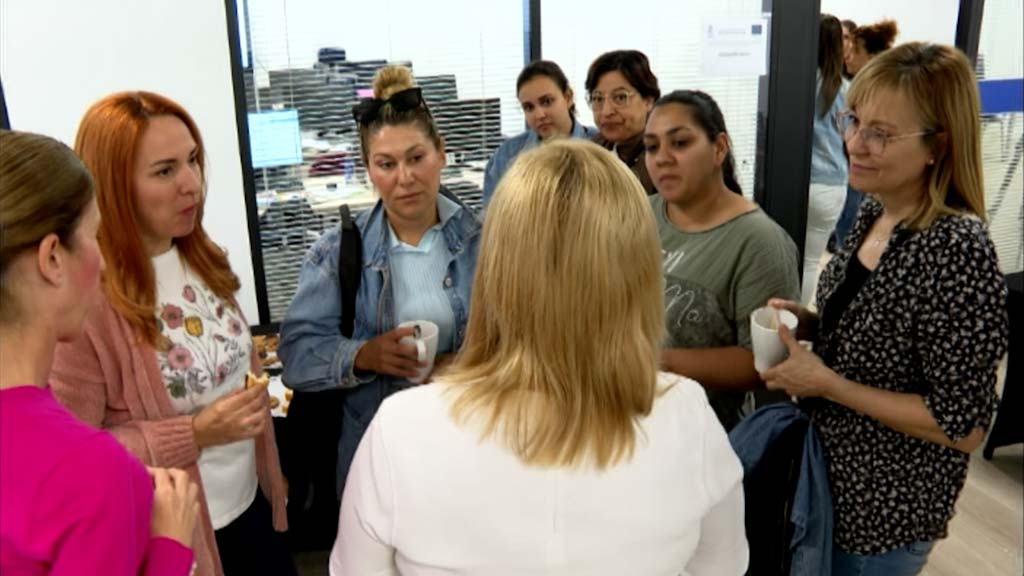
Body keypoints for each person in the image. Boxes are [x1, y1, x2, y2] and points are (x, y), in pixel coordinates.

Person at [330, 139, 748, 576]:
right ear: (639, 276)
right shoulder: (685, 416)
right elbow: (723, 567)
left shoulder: (401, 430)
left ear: (494, 267)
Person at [764, 43, 1009, 575]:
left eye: (881, 133)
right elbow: (872, 327)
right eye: (853, 121)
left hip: (884, 511)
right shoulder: (876, 209)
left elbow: (962, 425)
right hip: (827, 480)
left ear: (938, 145)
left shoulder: (956, 250)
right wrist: (809, 322)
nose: (855, 142)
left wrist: (827, 383)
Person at [49, 92, 294, 576]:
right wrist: (194, 434)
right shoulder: (86, 303)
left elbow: (240, 373)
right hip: (180, 536)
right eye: (165, 171)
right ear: (115, 186)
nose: (193, 185)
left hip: (250, 507)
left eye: (193, 161)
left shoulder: (202, 257)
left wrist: (270, 471)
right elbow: (72, 456)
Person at [1, 129, 198, 575]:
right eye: (94, 236)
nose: (104, 261)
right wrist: (169, 547)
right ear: (52, 258)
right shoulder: (88, 471)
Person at [278, 65, 482, 497]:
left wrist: (465, 365)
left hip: (469, 440)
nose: (404, 178)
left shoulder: (486, 244)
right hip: (377, 450)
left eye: (416, 158)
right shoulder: (337, 253)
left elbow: (524, 340)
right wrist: (364, 355)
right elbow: (296, 354)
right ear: (369, 169)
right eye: (386, 164)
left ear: (441, 152)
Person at [643, 89, 800, 431]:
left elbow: (764, 365)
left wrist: (652, 359)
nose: (662, 158)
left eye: (680, 143)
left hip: (702, 434)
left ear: (719, 147)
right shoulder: (641, 212)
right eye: (652, 146)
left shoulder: (760, 242)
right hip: (628, 417)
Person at [481, 60, 597, 207]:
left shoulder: (601, 146)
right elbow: (492, 222)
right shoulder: (506, 157)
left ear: (568, 97)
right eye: (529, 107)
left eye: (547, 102)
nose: (539, 114)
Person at [803, 14, 850, 303]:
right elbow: (850, 138)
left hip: (797, 182)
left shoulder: (798, 84)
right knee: (810, 261)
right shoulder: (845, 90)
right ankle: (795, 325)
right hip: (830, 185)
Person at [585, 49, 661, 194]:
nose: (607, 111)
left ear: (648, 100)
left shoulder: (664, 157)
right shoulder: (592, 151)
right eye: (598, 99)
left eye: (620, 97)